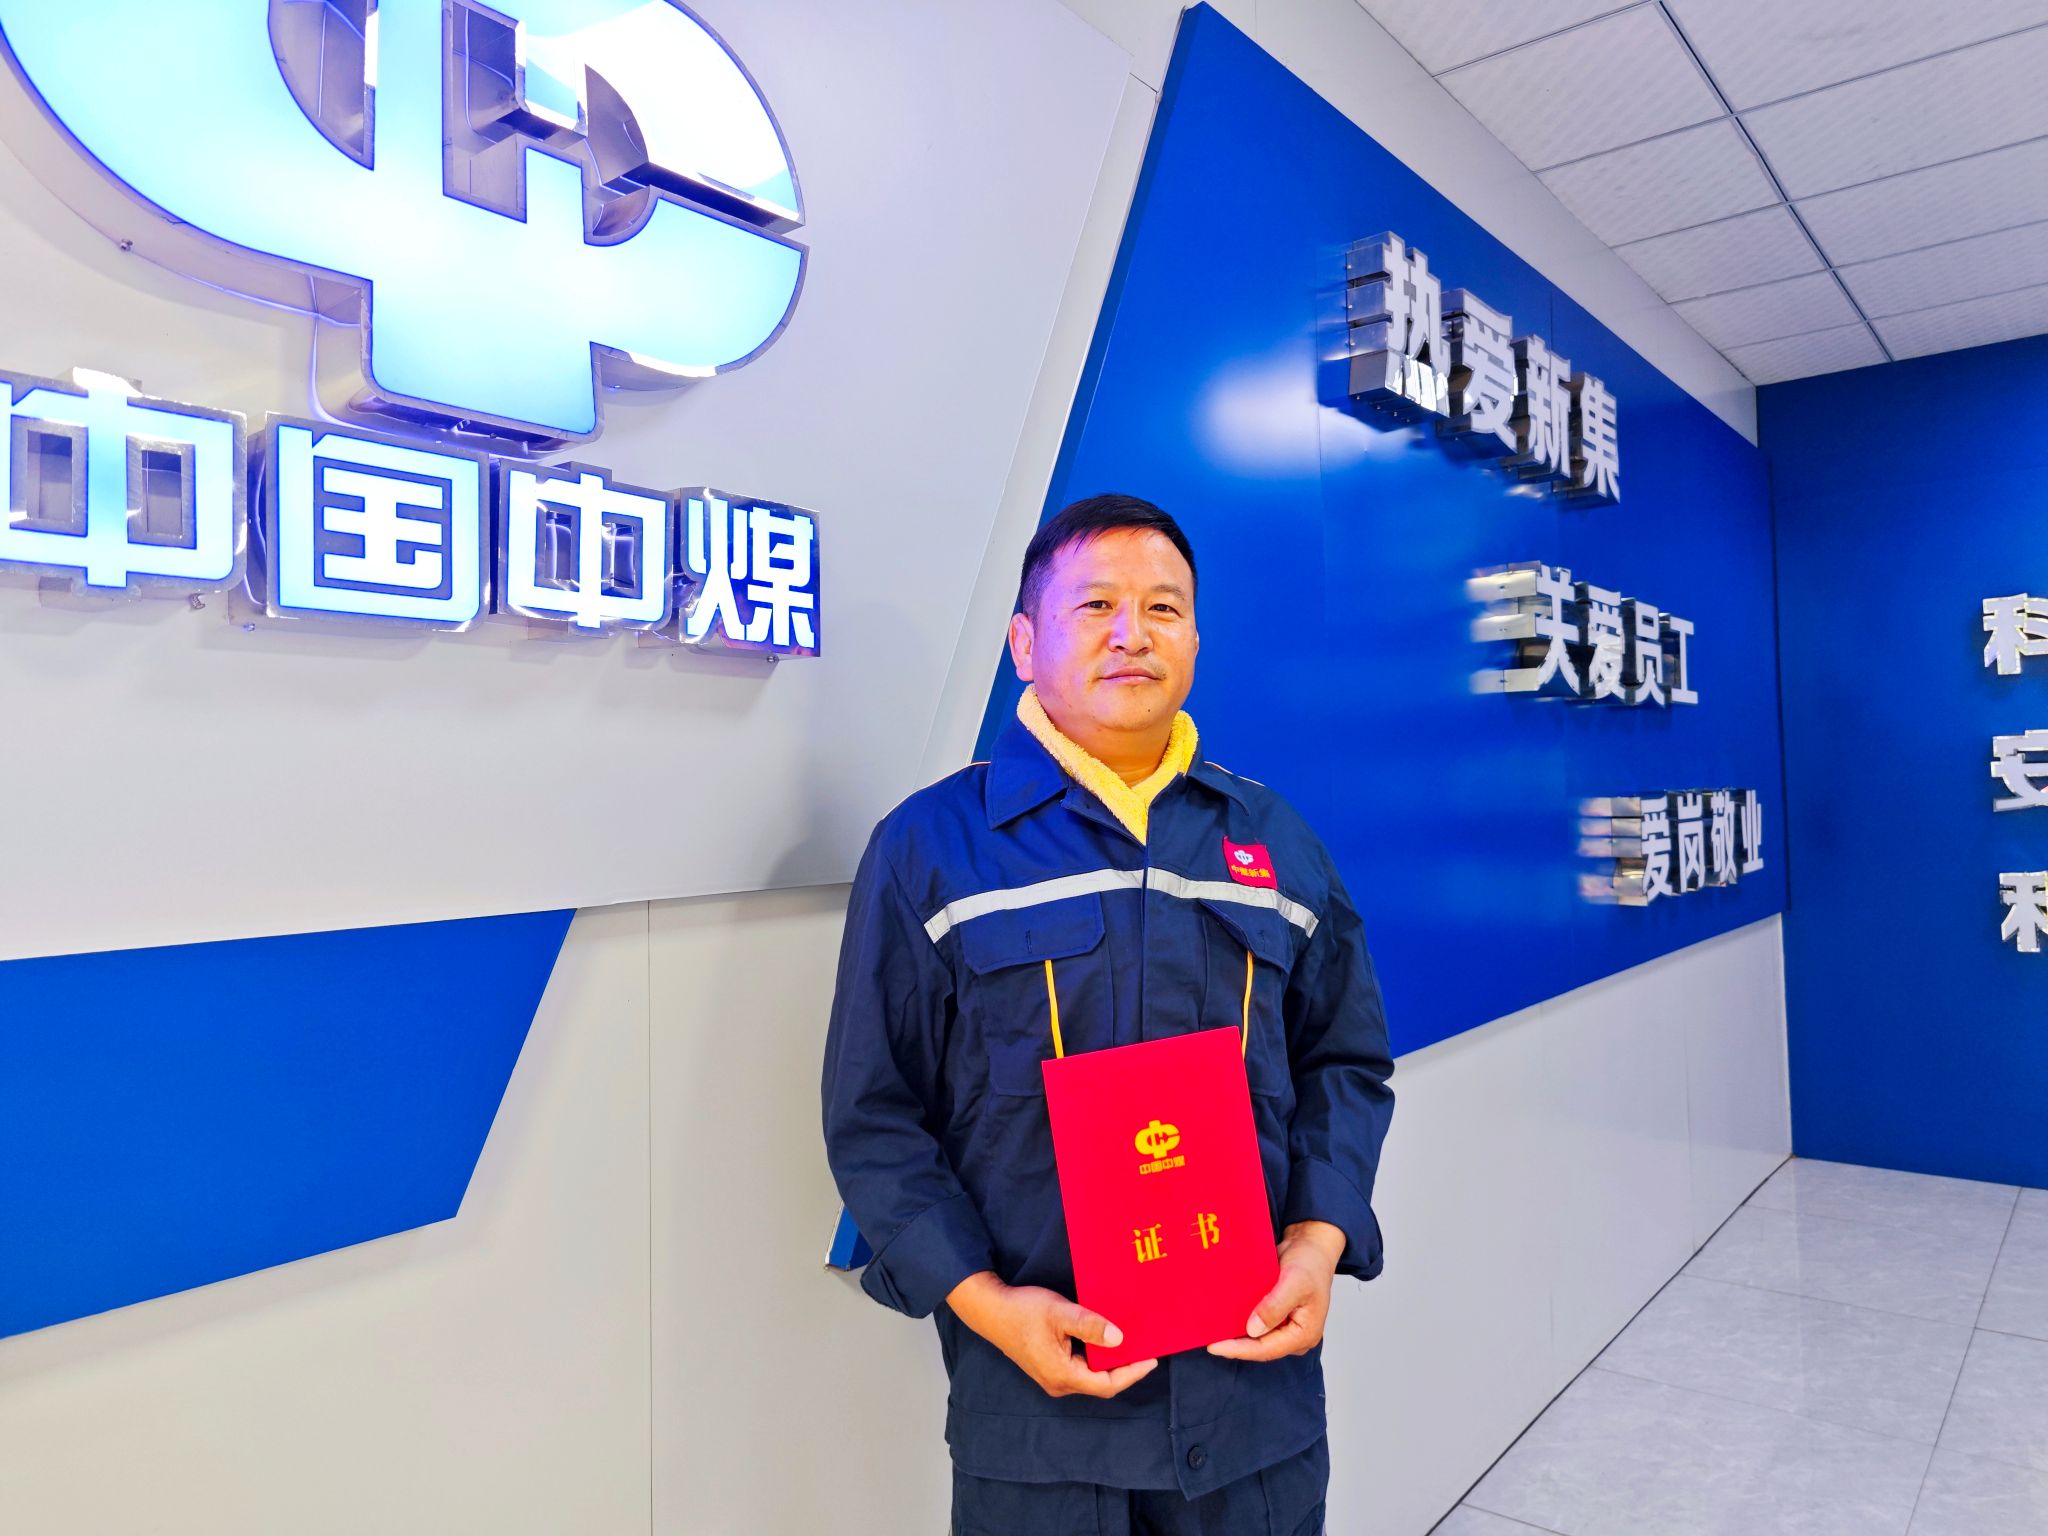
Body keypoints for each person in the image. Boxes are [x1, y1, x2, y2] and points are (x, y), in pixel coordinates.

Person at [821, 494, 1395, 1535]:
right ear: (1022, 642)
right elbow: (875, 1116)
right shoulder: (932, 849)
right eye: (1095, 605)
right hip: (1039, 1428)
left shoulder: (1275, 842)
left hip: (1253, 1408)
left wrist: (1316, 1245)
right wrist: (986, 1304)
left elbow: (1343, 1064)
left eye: (1163, 608)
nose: (1132, 633)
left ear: (1195, 640)